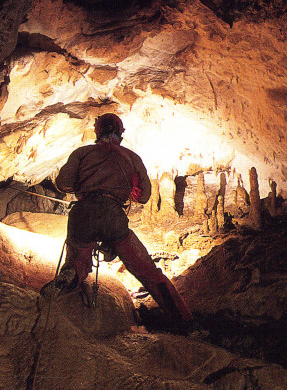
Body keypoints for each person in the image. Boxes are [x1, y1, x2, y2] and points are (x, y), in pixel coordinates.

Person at [50, 113, 193, 327]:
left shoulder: (82, 152)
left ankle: (69, 276)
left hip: (82, 212)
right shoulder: (131, 158)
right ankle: (185, 322)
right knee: (147, 270)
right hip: (112, 214)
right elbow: (143, 196)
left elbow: (63, 183)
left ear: (97, 131)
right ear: (120, 133)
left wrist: (84, 186)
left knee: (77, 261)